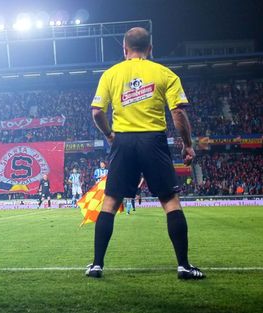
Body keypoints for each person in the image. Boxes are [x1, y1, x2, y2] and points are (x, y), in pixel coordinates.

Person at [87, 27, 204, 280]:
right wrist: (187, 144)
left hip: (123, 141)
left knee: (110, 203)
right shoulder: (164, 73)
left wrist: (109, 135)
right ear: (150, 48)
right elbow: (179, 113)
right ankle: (183, 265)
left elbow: (96, 111)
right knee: (170, 201)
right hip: (154, 140)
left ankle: (97, 264)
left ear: (124, 49)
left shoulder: (111, 74)